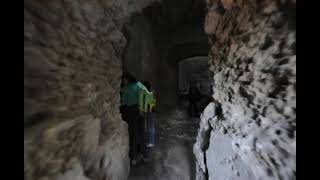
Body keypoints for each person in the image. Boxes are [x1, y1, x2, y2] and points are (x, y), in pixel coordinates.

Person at [121, 72, 148, 165]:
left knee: (133, 134)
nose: (122, 81)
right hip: (141, 110)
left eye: (123, 79)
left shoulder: (126, 89)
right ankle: (145, 155)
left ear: (127, 79)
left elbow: (123, 103)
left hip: (131, 112)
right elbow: (147, 94)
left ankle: (134, 158)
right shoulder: (139, 84)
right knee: (142, 133)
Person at [140, 81, 156, 148]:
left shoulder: (147, 93)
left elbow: (148, 104)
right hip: (151, 111)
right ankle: (151, 141)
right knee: (151, 126)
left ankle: (151, 142)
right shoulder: (151, 92)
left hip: (149, 111)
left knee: (150, 127)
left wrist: (144, 111)